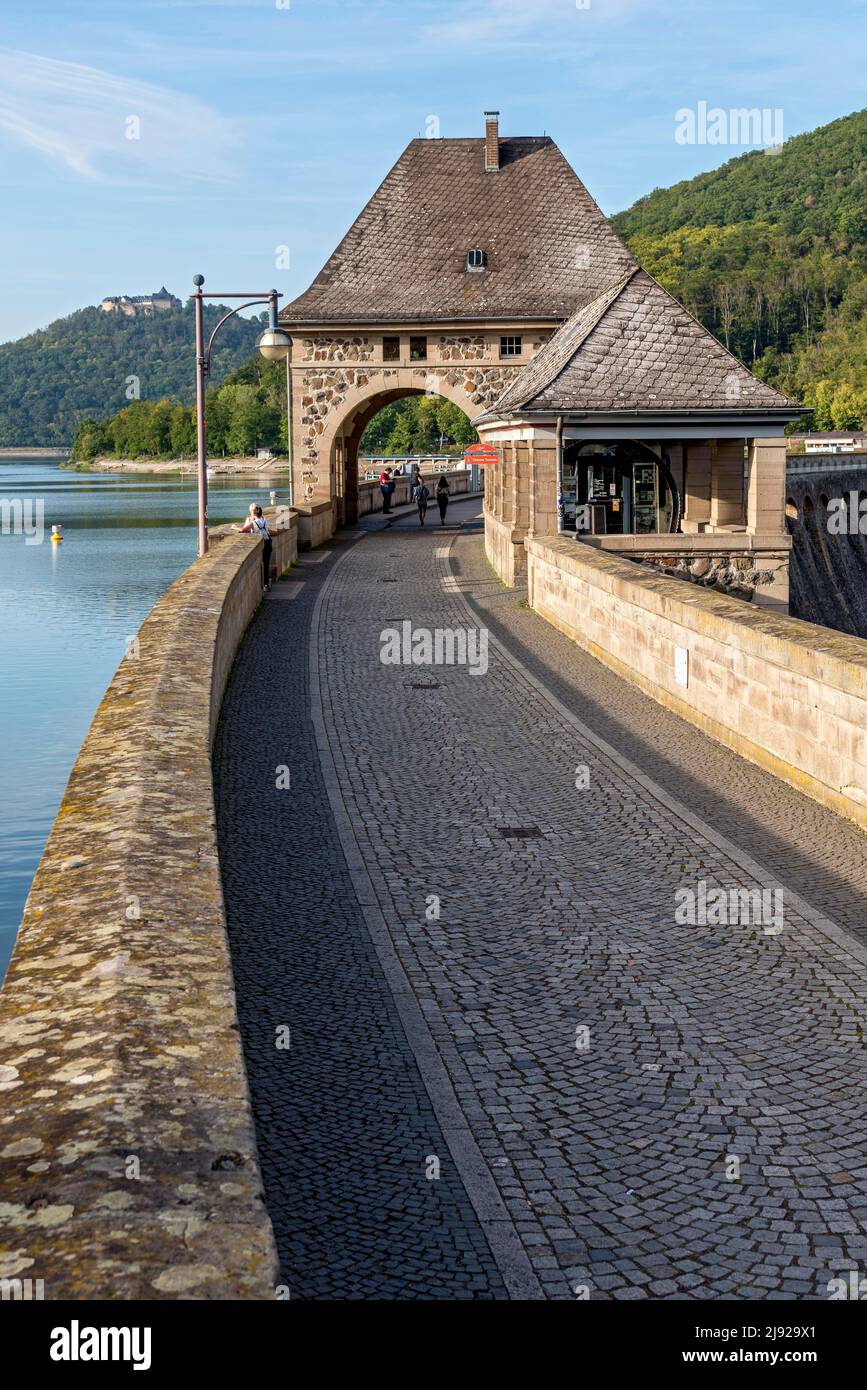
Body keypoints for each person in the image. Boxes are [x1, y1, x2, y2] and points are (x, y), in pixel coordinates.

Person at [234, 503, 272, 592]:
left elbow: (243, 530)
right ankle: (266, 584)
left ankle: (262, 585)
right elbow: (268, 530)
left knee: (260, 564)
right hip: (268, 544)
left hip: (261, 545)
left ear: (253, 513)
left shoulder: (254, 522)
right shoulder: (264, 519)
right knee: (266, 564)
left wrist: (234, 527)